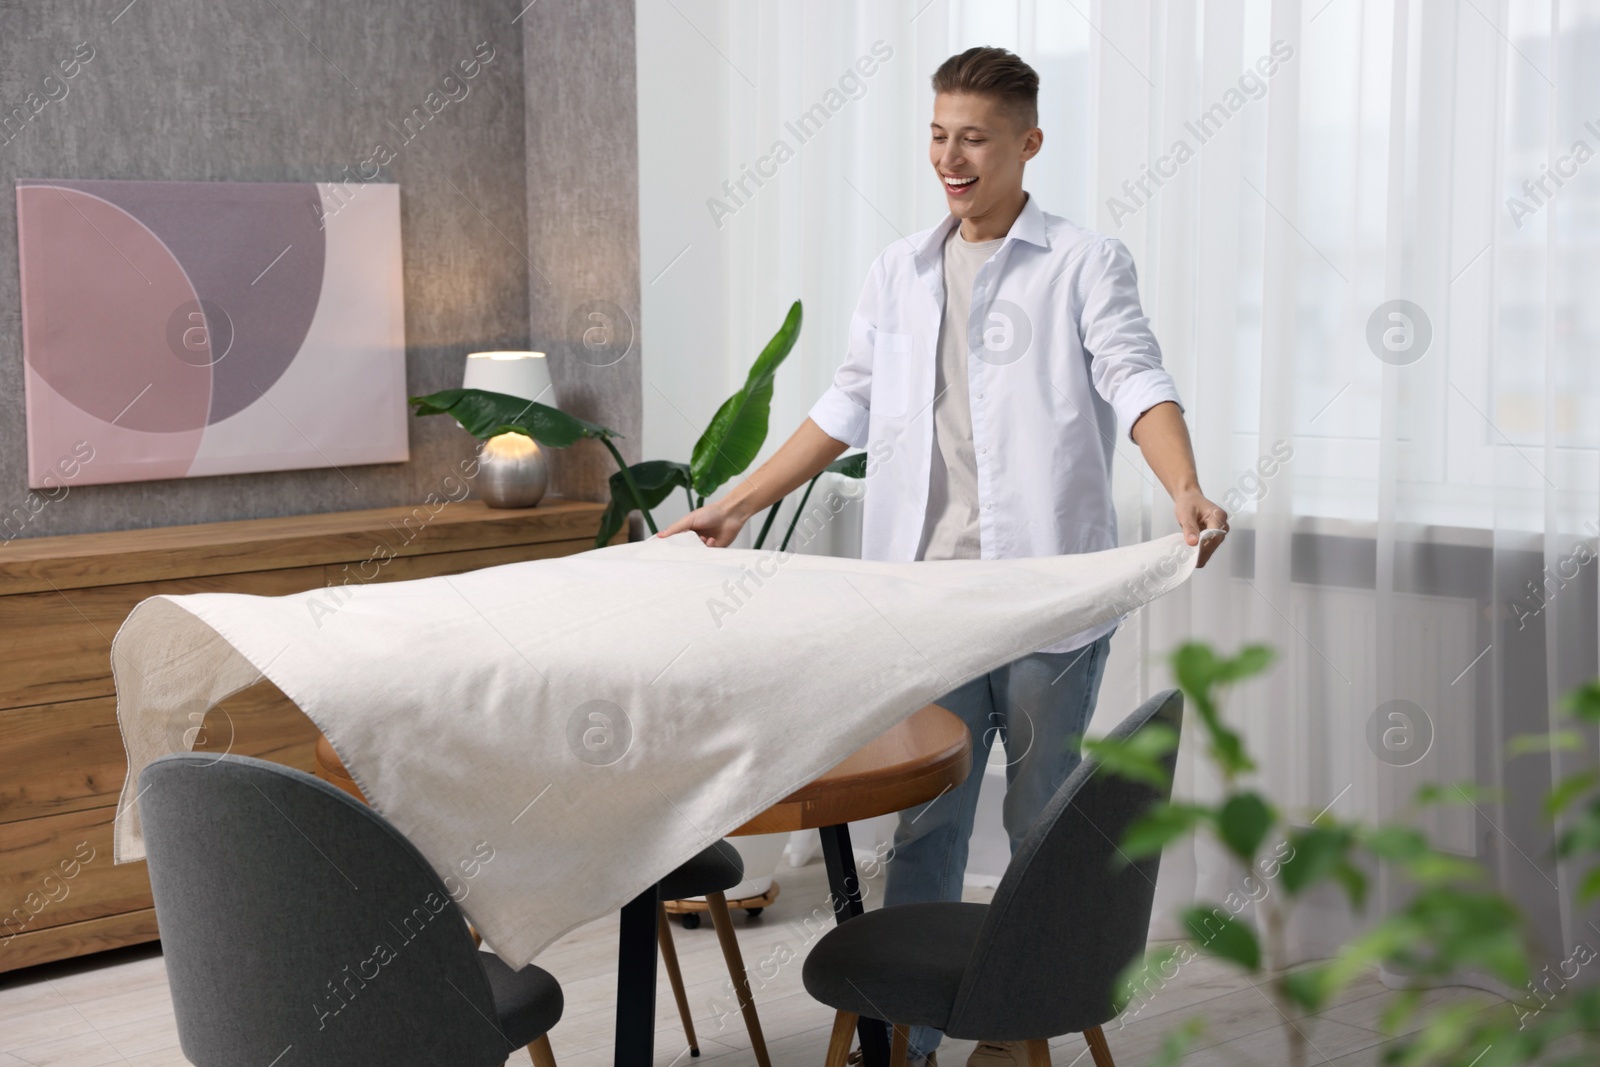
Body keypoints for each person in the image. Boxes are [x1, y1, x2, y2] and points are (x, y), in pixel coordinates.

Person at [659, 45, 1227, 1066]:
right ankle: (911, 1040)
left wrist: (1181, 483)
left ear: (1027, 143)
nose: (949, 157)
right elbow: (844, 405)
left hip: (1049, 598)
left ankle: (1013, 1027)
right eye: (936, 134)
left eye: (972, 136)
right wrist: (734, 504)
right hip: (927, 602)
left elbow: (1137, 379)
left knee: (1042, 822)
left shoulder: (1084, 263)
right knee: (924, 822)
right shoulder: (900, 269)